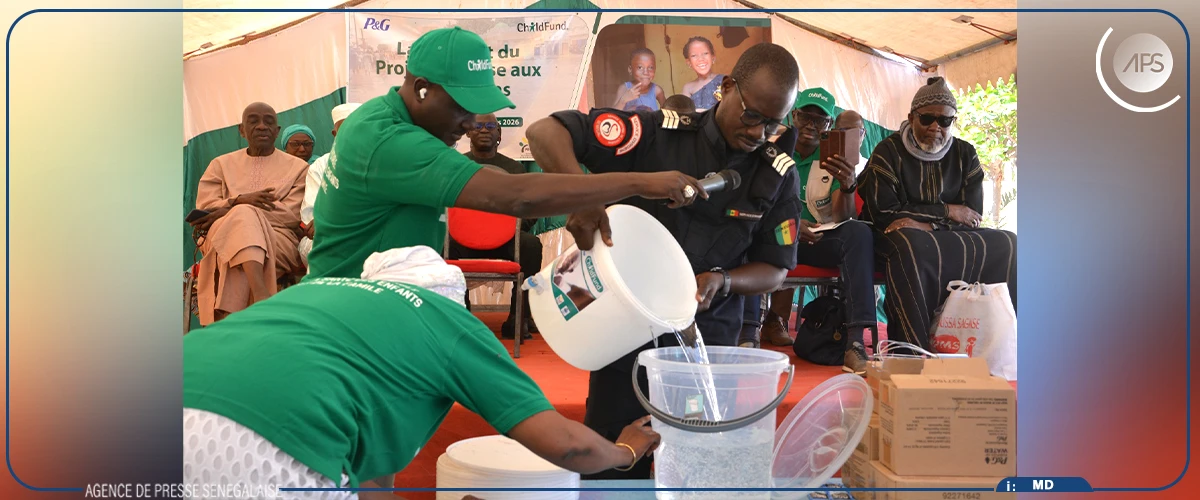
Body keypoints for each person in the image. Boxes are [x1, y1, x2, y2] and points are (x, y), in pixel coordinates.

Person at [525, 42, 803, 480]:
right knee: (611, 460)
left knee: (697, 467)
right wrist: (579, 197)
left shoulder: (777, 173)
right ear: (726, 88)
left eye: (772, 124)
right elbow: (545, 132)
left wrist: (723, 281)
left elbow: (776, 269)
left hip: (704, 341)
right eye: (751, 116)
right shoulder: (657, 132)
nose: (757, 133)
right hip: (623, 331)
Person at [183, 246, 661, 499]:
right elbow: (569, 445)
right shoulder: (445, 320)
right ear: (458, 299)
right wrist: (625, 451)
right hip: (263, 442)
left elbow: (370, 484)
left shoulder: (315, 293)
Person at [305, 27, 708, 282]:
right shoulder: (393, 142)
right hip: (351, 303)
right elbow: (517, 196)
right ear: (423, 89)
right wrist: (643, 182)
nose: (468, 123)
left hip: (376, 293)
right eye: (463, 107)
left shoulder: (379, 116)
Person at [858, 77, 1017, 352]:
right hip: (893, 237)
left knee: (1009, 242)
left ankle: (1000, 346)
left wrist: (929, 223)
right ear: (911, 117)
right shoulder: (888, 151)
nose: (935, 127)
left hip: (946, 234)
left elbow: (972, 215)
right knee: (910, 243)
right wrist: (947, 212)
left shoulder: (965, 153)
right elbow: (885, 213)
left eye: (944, 121)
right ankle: (911, 350)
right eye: (927, 118)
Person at [740, 90, 876, 375]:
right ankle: (748, 335)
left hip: (817, 238)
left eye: (821, 121)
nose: (812, 126)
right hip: (777, 235)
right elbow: (753, 204)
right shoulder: (771, 148)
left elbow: (843, 217)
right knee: (746, 230)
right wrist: (790, 223)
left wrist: (848, 185)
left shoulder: (832, 157)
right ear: (793, 116)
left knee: (859, 234)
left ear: (829, 126)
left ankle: (854, 343)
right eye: (806, 117)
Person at [189, 102, 308, 325]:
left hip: (277, 239)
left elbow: (291, 217)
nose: (262, 126)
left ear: (277, 131)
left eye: (268, 122)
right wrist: (239, 201)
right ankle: (261, 296)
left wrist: (231, 208)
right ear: (241, 130)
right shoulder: (220, 165)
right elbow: (205, 210)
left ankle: (227, 327)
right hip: (220, 236)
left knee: (237, 238)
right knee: (241, 219)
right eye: (253, 121)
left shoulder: (298, 168)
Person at [452, 113, 543, 339]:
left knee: (530, 245)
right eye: (478, 126)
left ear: (499, 134)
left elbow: (528, 210)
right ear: (468, 132)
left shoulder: (514, 169)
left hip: (506, 241)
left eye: (491, 126)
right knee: (438, 243)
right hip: (464, 242)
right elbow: (446, 207)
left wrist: (507, 231)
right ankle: (460, 312)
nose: (485, 130)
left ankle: (518, 316)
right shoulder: (456, 165)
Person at [299, 103, 361, 265]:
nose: (352, 134)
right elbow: (310, 216)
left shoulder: (381, 161)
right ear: (335, 134)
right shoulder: (320, 166)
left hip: (366, 233)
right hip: (326, 236)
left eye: (357, 128)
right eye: (345, 129)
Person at [679, 36, 725, 111]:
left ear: (713, 58)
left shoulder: (724, 80)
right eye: (694, 55)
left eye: (705, 53)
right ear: (689, 62)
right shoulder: (688, 88)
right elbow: (685, 114)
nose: (700, 59)